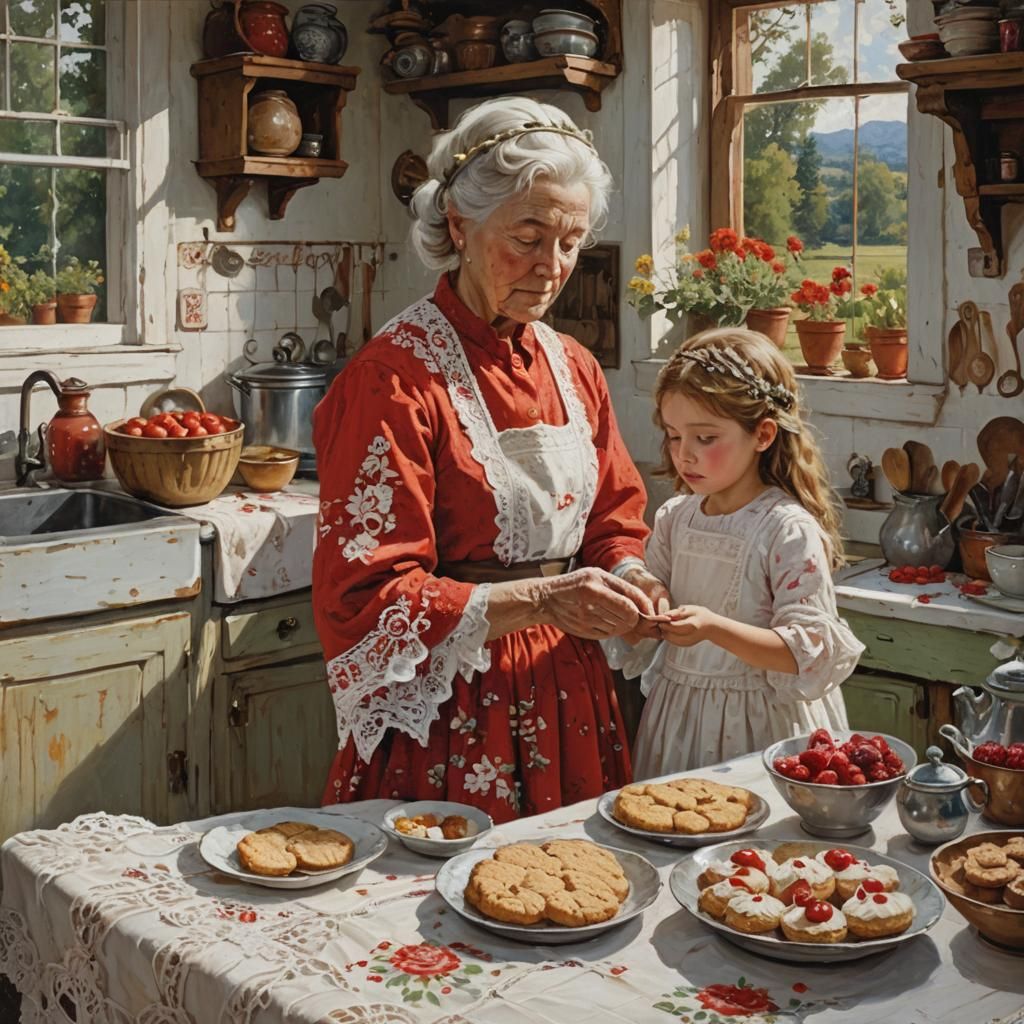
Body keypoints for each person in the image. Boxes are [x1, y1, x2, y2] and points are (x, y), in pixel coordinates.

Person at [311, 96, 668, 823]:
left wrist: (629, 575)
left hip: (571, 693)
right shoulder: (392, 379)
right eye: (529, 237)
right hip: (450, 714)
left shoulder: (573, 367)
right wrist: (546, 600)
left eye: (570, 241)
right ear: (459, 226)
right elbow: (363, 594)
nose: (553, 265)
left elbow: (612, 518)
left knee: (566, 902)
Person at [608, 328, 864, 776]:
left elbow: (806, 652)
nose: (684, 455)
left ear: (763, 434)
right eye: (673, 436)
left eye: (705, 438)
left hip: (764, 726)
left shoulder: (786, 529)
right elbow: (654, 600)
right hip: (680, 720)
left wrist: (712, 627)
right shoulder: (675, 517)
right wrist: (649, 612)